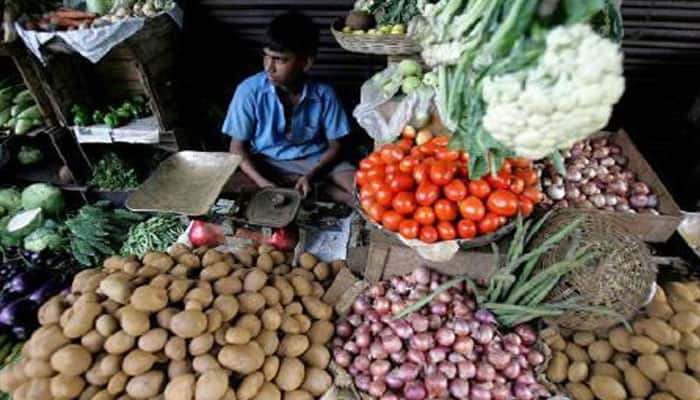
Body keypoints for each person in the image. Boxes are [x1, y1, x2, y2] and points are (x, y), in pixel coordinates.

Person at [223, 11, 356, 205]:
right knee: (226, 187)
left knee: (363, 191)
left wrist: (312, 175)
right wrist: (264, 185)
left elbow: (336, 146)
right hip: (267, 160)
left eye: (280, 60)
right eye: (266, 57)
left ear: (306, 62)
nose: (269, 67)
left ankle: (310, 187)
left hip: (315, 161)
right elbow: (236, 147)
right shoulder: (249, 91)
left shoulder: (324, 93)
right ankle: (317, 191)